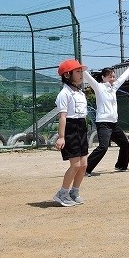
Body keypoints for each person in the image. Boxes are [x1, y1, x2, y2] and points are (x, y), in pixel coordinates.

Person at [83, 61, 129, 176]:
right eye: (110, 76)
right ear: (103, 77)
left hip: (113, 124)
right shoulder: (99, 87)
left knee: (125, 143)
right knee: (103, 147)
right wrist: (82, 69)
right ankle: (85, 169)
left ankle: (121, 165)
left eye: (113, 76)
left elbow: (123, 77)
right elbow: (89, 78)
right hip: (103, 123)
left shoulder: (114, 87)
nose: (112, 78)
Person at [52, 59, 89, 207]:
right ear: (67, 75)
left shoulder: (80, 93)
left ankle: (74, 191)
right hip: (70, 129)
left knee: (84, 164)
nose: (81, 74)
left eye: (81, 71)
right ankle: (62, 193)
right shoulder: (64, 94)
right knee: (75, 165)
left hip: (81, 127)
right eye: (77, 71)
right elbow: (62, 117)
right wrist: (61, 137)